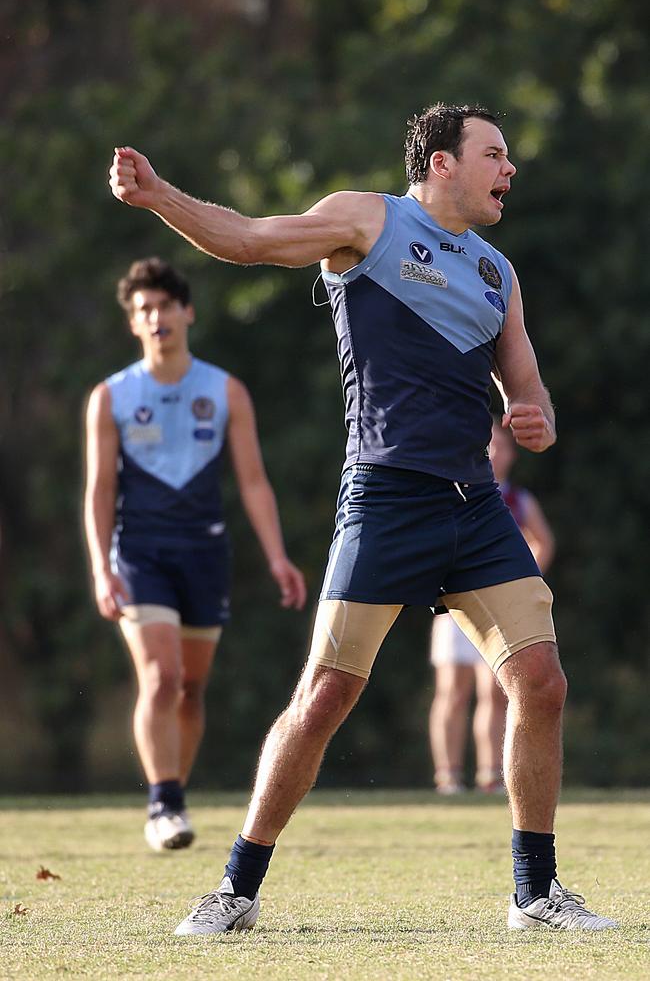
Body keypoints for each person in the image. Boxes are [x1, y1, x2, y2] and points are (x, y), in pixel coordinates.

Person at [108, 104, 617, 931]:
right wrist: (161, 195)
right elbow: (245, 239)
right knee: (325, 696)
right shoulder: (368, 219)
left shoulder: (498, 273)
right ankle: (235, 891)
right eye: (496, 153)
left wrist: (538, 417)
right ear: (442, 164)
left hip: (474, 508)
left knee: (541, 681)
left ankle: (535, 893)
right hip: (385, 497)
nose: (510, 169)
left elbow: (527, 387)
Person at [84, 257, 306, 852]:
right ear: (133, 323)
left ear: (188, 312)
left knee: (190, 689)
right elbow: (99, 490)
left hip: (204, 554)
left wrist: (277, 557)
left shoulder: (225, 390)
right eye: (143, 311)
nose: (155, 318)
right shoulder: (111, 397)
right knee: (161, 676)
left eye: (164, 306)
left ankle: (171, 797)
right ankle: (165, 802)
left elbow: (254, 481)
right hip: (139, 554)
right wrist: (102, 567)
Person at [430, 417, 556, 795]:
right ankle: (447, 775)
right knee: (452, 689)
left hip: (498, 609)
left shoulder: (518, 500)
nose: (496, 454)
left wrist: (522, 582)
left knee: (496, 692)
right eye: (490, 447)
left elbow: (543, 542)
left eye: (502, 447)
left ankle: (490, 773)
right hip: (455, 605)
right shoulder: (455, 492)